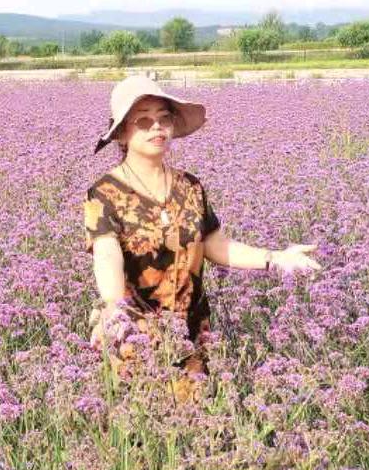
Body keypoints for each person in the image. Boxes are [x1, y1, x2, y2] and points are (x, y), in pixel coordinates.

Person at [84, 75, 321, 392]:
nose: (156, 127)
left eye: (163, 118)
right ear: (123, 132)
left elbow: (214, 244)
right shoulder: (104, 193)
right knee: (145, 431)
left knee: (195, 425)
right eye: (143, 120)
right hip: (134, 336)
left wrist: (275, 258)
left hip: (191, 333)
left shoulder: (190, 186)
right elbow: (106, 253)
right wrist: (112, 307)